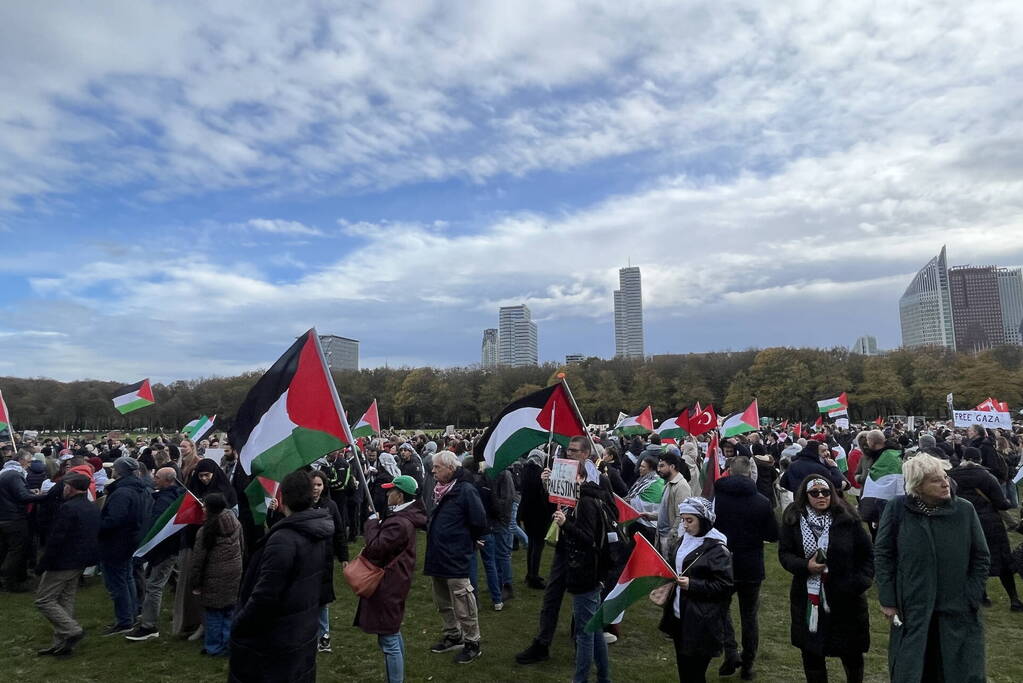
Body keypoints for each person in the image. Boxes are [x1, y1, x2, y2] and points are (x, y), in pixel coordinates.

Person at [875, 453, 990, 682]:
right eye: (935, 480)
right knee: (915, 669)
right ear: (918, 486)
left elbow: (981, 557)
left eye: (945, 476)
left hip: (957, 606)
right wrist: (888, 599)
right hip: (913, 604)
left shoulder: (964, 510)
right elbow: (883, 554)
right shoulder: (898, 509)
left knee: (959, 670)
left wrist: (971, 594)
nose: (945, 483)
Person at [515, 436, 613, 666]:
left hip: (587, 549)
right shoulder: (560, 472)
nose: (570, 455)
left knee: (584, 598)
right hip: (564, 544)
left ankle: (582, 642)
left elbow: (608, 511)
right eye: (568, 451)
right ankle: (542, 642)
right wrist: (545, 485)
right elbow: (550, 506)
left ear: (586, 453)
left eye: (575, 451)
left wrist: (585, 492)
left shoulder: (600, 479)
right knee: (552, 595)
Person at [229, 470, 333, 683]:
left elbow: (265, 595)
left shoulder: (284, 539)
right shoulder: (315, 531)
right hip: (300, 631)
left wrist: (239, 623)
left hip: (275, 640)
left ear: (282, 497)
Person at [779, 475, 873, 683]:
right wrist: (806, 566)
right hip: (809, 597)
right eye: (814, 493)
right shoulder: (793, 519)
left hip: (846, 597)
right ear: (805, 495)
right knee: (812, 652)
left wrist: (860, 583)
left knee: (851, 653)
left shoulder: (848, 518)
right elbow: (784, 554)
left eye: (825, 492)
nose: (821, 496)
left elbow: (867, 554)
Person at [355, 474, 428, 683]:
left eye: (391, 491)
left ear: (400, 496)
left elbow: (376, 548)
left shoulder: (400, 522)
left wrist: (371, 524)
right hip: (393, 580)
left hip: (389, 582)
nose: (387, 493)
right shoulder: (401, 518)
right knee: (391, 631)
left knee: (388, 637)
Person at [713, 456, 779, 680]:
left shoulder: (717, 499)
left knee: (722, 610)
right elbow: (773, 534)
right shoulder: (761, 502)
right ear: (750, 474)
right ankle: (748, 662)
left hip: (724, 563)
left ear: (729, 472)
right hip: (750, 565)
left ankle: (731, 651)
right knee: (749, 616)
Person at [658, 497, 733, 683]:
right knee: (684, 670)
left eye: (689, 520)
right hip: (680, 616)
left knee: (695, 674)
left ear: (704, 520)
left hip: (702, 621)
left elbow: (725, 586)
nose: (685, 525)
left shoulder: (717, 549)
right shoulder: (685, 540)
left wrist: (693, 585)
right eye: (683, 519)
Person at [551, 462, 613, 683]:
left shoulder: (586, 502)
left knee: (584, 633)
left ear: (579, 477)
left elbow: (588, 539)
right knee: (594, 630)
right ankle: (604, 677)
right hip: (588, 571)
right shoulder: (584, 498)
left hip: (586, 573)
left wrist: (566, 524)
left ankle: (581, 679)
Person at [423, 450, 487, 664]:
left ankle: (472, 642)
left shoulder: (465, 490)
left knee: (462, 600)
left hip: (455, 554)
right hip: (438, 554)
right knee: (442, 599)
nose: (432, 471)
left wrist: (469, 541)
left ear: (451, 468)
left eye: (437, 467)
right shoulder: (441, 489)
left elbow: (478, 520)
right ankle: (453, 634)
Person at [33, 473, 98, 657]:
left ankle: (71, 630)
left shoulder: (68, 508)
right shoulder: (91, 507)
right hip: (79, 560)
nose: (63, 489)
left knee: (44, 600)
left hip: (62, 561)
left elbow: (57, 539)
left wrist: (43, 564)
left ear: (71, 488)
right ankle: (62, 644)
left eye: (65, 486)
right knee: (64, 600)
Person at [949, 446, 1021, 610]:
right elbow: (1001, 503)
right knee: (1002, 561)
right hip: (989, 522)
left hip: (963, 522)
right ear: (979, 460)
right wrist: (1008, 503)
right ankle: (1014, 600)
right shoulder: (986, 477)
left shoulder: (951, 476)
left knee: (971, 559)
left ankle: (981, 596)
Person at [126, 467, 184, 642]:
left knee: (154, 585)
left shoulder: (165, 500)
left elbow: (158, 527)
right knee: (162, 581)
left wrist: (147, 545)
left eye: (157, 477)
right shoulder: (173, 495)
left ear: (168, 480)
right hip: (168, 549)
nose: (153, 479)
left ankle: (149, 625)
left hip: (164, 549)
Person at [98, 456, 152, 635]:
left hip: (117, 542)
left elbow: (114, 520)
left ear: (119, 471)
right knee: (127, 577)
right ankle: (131, 613)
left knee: (117, 582)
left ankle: (124, 621)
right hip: (131, 540)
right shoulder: (139, 488)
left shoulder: (122, 492)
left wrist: (97, 525)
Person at [190, 492, 242, 657]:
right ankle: (228, 644)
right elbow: (242, 546)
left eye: (205, 506)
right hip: (234, 571)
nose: (203, 508)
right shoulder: (236, 523)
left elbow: (199, 559)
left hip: (214, 575)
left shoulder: (206, 531)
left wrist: (196, 582)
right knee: (230, 611)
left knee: (213, 613)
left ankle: (214, 647)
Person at [0, 449, 47, 591]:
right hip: (13, 518)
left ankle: (12, 578)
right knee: (16, 550)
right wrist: (45, 496)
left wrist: (29, 491)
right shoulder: (15, 475)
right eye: (29, 461)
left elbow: (13, 493)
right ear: (21, 461)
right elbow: (22, 497)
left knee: (3, 550)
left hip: (4, 516)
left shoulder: (5, 472)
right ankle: (10, 582)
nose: (30, 464)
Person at [520, 448, 556, 589]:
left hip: (528, 514)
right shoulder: (540, 474)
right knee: (538, 546)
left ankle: (530, 574)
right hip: (539, 514)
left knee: (532, 545)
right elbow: (544, 494)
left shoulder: (525, 471)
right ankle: (534, 576)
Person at [656, 450, 692, 557]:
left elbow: (681, 516)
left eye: (662, 466)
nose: (659, 470)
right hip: (662, 536)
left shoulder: (681, 486)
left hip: (669, 538)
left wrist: (672, 538)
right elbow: (667, 510)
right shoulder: (669, 484)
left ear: (672, 466)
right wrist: (651, 516)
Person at [626, 454, 664, 546]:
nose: (639, 468)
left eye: (643, 466)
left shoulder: (657, 483)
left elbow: (651, 505)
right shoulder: (643, 480)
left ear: (651, 469)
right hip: (639, 523)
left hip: (647, 526)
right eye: (640, 466)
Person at [781, 440, 845, 493]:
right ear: (814, 452)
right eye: (823, 451)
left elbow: (783, 482)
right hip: (819, 502)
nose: (827, 453)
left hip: (800, 502)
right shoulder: (819, 468)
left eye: (827, 450)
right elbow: (838, 483)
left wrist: (798, 491)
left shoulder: (792, 465)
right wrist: (834, 467)